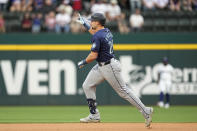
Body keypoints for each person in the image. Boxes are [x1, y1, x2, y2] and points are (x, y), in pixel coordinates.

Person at [76, 13, 153, 128]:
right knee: (87, 85)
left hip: (109, 66)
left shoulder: (99, 35)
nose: (90, 22)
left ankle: (145, 110)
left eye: (92, 20)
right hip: (102, 65)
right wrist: (85, 25)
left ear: (97, 23)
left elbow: (93, 55)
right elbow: (95, 33)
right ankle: (94, 115)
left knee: (123, 91)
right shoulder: (105, 31)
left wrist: (83, 62)